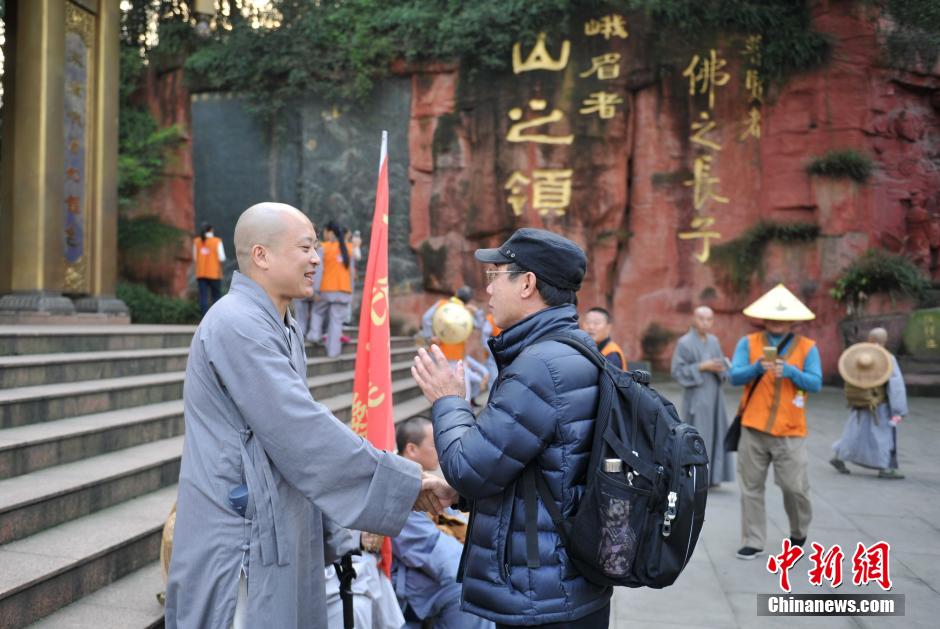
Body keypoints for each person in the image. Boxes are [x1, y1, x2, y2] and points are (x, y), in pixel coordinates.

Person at [165, 202, 456, 629]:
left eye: (316, 247)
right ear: (261, 255)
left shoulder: (282, 324)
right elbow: (299, 429)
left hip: (275, 524)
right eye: (305, 248)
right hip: (240, 537)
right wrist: (403, 482)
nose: (316, 259)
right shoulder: (236, 322)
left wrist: (341, 533)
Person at [412, 227, 613, 628]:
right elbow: (545, 471)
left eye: (495, 276)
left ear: (527, 284)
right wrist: (462, 494)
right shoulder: (571, 349)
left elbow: (469, 467)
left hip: (542, 596)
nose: (488, 289)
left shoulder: (540, 366)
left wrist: (448, 399)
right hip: (566, 586)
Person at [729, 284, 822, 560]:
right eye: (771, 315)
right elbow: (734, 376)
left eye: (783, 316)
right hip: (753, 427)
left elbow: (815, 383)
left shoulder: (807, 347)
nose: (777, 320)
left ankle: (799, 531)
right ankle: (753, 540)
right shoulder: (748, 343)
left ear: (793, 320)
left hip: (790, 430)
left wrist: (791, 372)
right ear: (763, 317)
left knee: (795, 487)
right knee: (751, 488)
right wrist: (756, 367)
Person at [391, 417, 494, 629]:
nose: (440, 451)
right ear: (411, 449)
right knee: (470, 588)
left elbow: (456, 523)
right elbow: (428, 547)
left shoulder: (424, 479)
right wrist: (475, 568)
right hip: (416, 582)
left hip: (433, 571)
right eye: (434, 445)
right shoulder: (398, 488)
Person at [831, 327, 908, 479]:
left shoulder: (858, 355)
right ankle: (885, 468)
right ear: (885, 341)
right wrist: (899, 410)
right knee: (882, 436)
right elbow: (895, 386)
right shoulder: (887, 358)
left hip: (859, 402)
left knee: (854, 432)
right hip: (880, 405)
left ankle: (838, 456)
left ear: (869, 339)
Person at [670, 305, 734, 486]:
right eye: (701, 318)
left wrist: (721, 367)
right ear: (693, 319)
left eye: (709, 319)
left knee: (716, 433)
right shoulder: (684, 343)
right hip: (697, 396)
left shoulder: (714, 341)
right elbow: (677, 371)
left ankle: (714, 476)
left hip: (715, 396)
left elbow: (722, 367)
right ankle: (696, 477)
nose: (705, 323)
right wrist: (702, 366)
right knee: (699, 435)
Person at [421, 286, 485, 401]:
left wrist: (430, 337)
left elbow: (426, 318)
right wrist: (476, 312)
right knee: (463, 389)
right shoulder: (465, 312)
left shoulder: (442, 304)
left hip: (438, 353)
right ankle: (461, 409)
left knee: (440, 387)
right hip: (456, 355)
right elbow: (479, 325)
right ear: (469, 300)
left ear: (456, 293)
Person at [309, 220, 357, 357]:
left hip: (326, 289)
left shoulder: (323, 248)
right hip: (344, 291)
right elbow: (351, 274)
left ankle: (314, 336)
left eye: (325, 231)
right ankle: (333, 352)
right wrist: (351, 293)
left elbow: (319, 271)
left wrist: (315, 290)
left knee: (318, 312)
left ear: (330, 232)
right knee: (337, 322)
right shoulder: (349, 249)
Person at [193, 222, 226, 316]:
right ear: (211, 230)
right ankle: (216, 317)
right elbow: (222, 258)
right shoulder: (217, 241)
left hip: (201, 273)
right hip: (214, 273)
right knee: (216, 297)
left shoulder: (196, 241)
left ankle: (204, 318)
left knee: (203, 297)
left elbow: (195, 258)